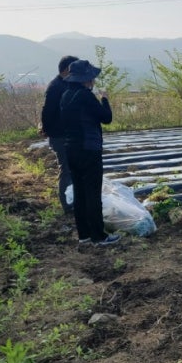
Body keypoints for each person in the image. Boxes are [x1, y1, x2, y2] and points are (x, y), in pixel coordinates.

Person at [60, 59, 120, 246]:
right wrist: (105, 99)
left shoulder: (66, 96)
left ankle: (84, 235)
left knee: (80, 193)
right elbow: (106, 118)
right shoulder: (85, 96)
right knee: (93, 193)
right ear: (86, 79)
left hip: (71, 149)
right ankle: (99, 236)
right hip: (88, 149)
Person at [40, 55, 79, 214]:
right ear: (65, 70)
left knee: (71, 168)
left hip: (65, 134)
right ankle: (68, 205)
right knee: (67, 169)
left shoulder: (64, 84)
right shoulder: (56, 87)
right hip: (59, 136)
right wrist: (47, 130)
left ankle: (72, 200)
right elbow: (47, 111)